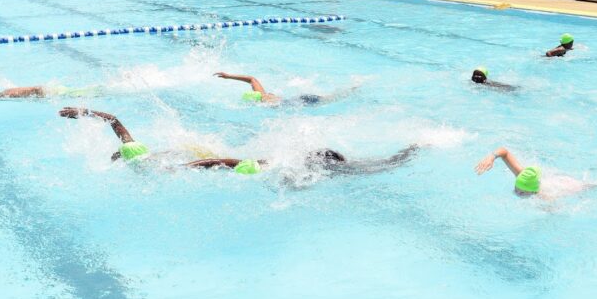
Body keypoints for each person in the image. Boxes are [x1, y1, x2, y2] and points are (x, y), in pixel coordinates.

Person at [58, 107, 420, 182]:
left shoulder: (134, 156)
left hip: (241, 165)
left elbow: (117, 122)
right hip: (245, 163)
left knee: (294, 167)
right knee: (323, 167)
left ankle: (406, 153)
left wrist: (85, 111)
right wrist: (84, 113)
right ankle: (406, 153)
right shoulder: (143, 159)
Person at [474, 147, 597, 200]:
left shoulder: (545, 196)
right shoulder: (524, 174)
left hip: (572, 186)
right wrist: (491, 157)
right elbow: (504, 151)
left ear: (533, 191)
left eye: (522, 192)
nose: (517, 193)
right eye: (517, 189)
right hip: (561, 179)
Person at [214, 71, 352, 106]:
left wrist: (228, 77)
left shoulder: (263, 101)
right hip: (300, 99)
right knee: (331, 97)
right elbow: (252, 79)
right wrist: (228, 76)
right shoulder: (264, 96)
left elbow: (252, 79)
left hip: (299, 103)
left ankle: (350, 90)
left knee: (332, 99)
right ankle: (352, 88)